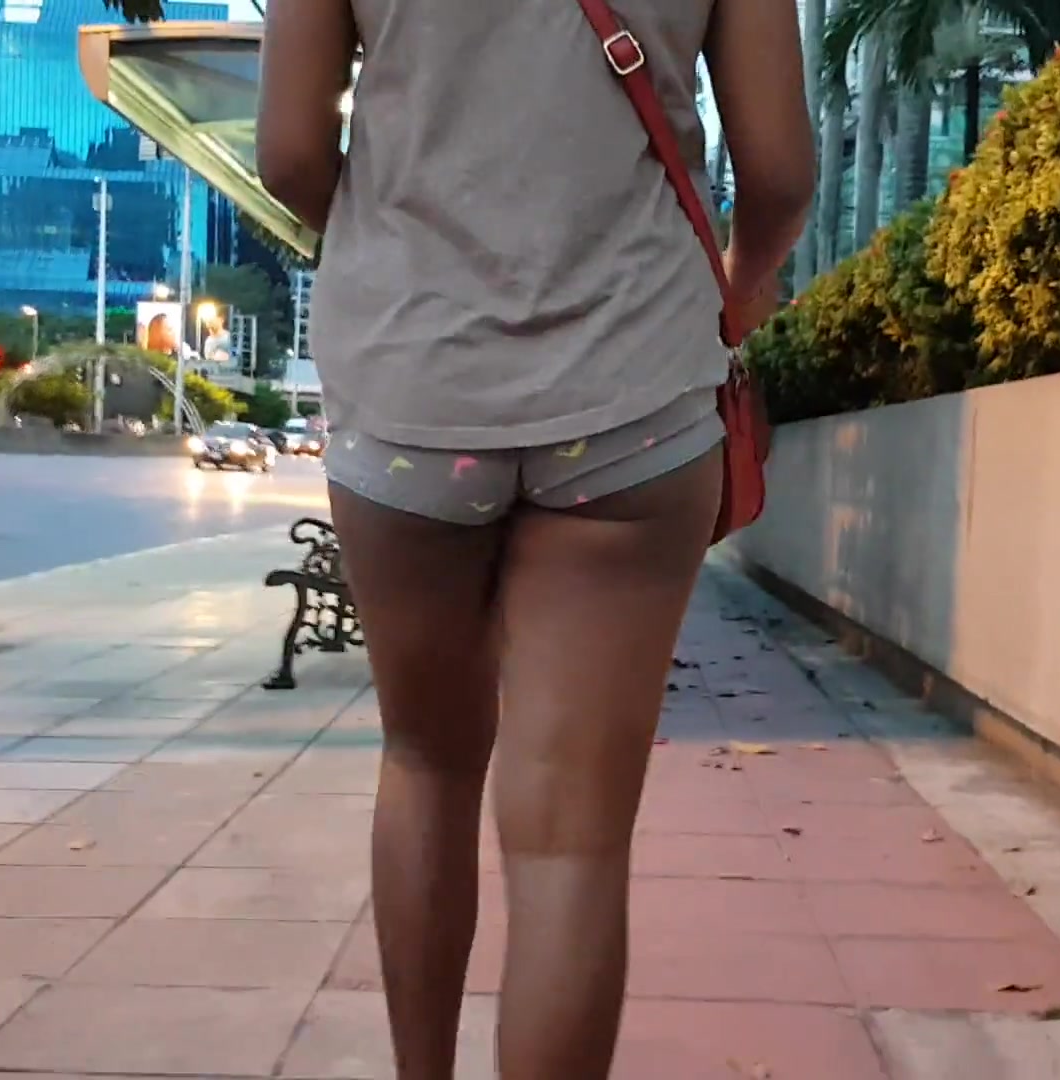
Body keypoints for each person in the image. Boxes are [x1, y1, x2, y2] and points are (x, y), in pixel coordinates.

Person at [259, 2, 813, 1077]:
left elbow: (288, 150)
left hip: (412, 389)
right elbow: (782, 172)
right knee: (573, 845)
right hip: (635, 390)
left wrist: (399, 247)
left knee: (425, 762)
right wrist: (743, 283)